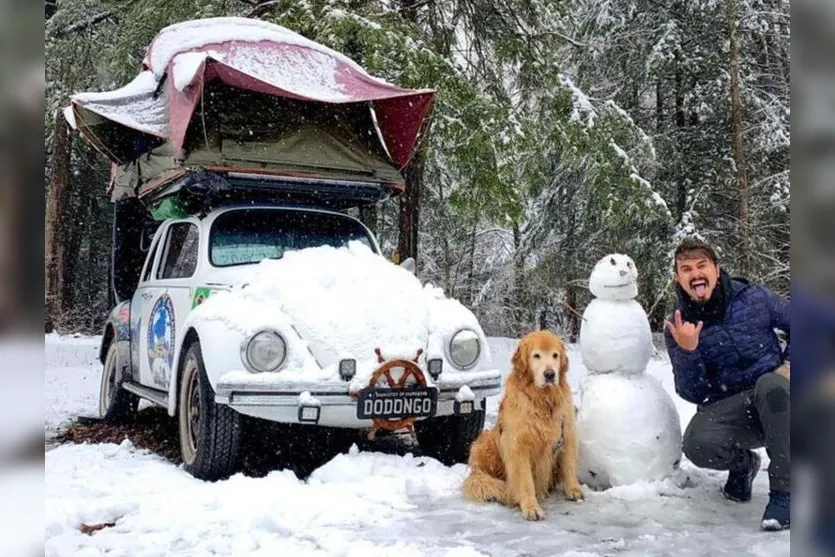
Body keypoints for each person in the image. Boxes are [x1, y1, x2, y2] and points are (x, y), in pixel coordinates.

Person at [664, 238, 790, 531]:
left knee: (771, 386)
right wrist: (688, 350)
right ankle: (744, 465)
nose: (695, 273)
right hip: (733, 407)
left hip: (780, 397)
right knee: (697, 444)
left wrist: (790, 366)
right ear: (678, 278)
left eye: (701, 265)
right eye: (686, 269)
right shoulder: (678, 325)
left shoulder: (753, 298)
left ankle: (785, 493)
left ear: (717, 269)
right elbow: (693, 392)